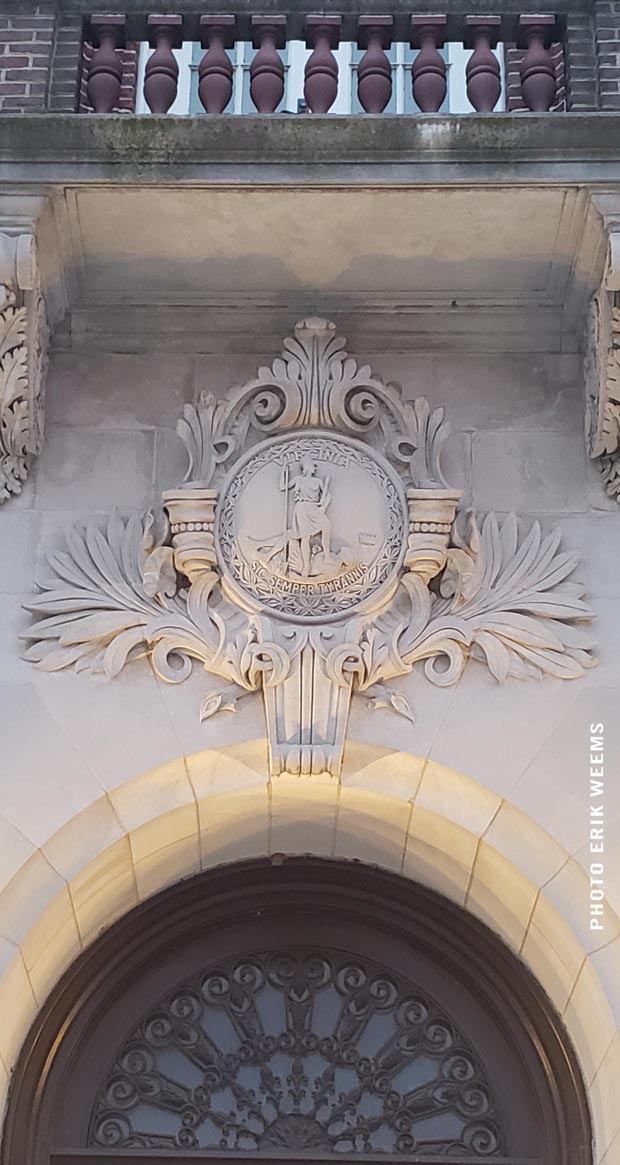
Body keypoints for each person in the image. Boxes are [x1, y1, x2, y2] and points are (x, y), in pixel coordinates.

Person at [281, 459, 333, 576]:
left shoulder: (318, 481)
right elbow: (283, 487)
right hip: (302, 508)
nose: (315, 468)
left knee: (327, 527)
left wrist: (323, 507)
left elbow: (328, 495)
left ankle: (327, 556)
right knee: (305, 537)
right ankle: (306, 566)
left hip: (314, 508)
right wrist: (284, 473)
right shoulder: (298, 480)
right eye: (313, 466)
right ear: (307, 467)